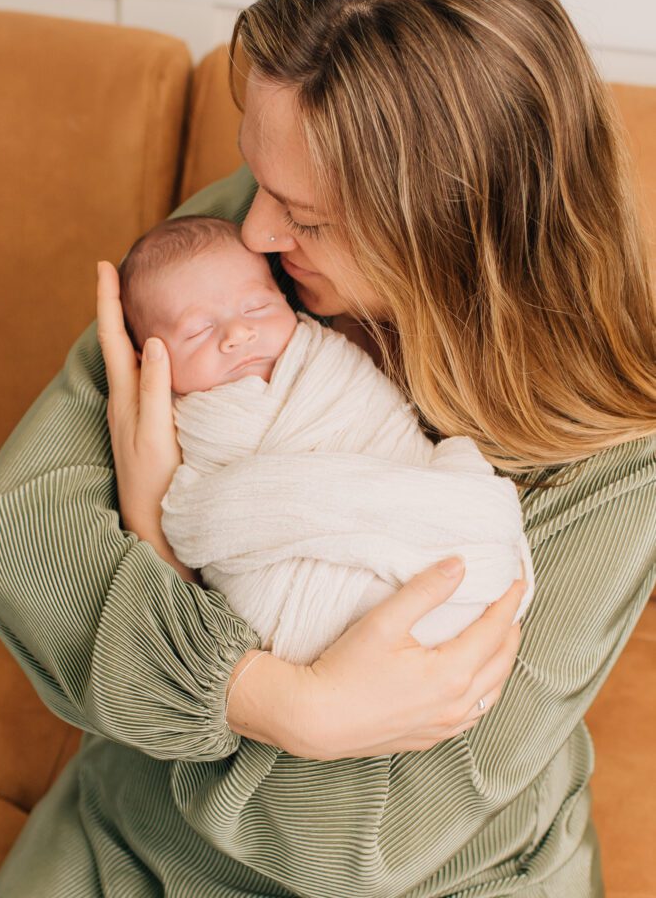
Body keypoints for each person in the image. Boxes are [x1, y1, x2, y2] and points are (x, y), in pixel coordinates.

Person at [0, 0, 654, 898]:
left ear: (448, 228)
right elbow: (18, 533)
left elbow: (349, 842)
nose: (248, 225)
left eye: (303, 217)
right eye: (257, 172)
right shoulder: (247, 252)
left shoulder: (615, 452)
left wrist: (162, 546)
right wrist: (278, 700)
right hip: (138, 832)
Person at [119, 213, 533, 664]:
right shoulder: (184, 421)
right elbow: (203, 522)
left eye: (257, 308)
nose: (238, 334)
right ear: (149, 357)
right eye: (198, 331)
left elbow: (385, 430)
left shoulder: (329, 365)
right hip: (302, 604)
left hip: (424, 552)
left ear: (282, 299)